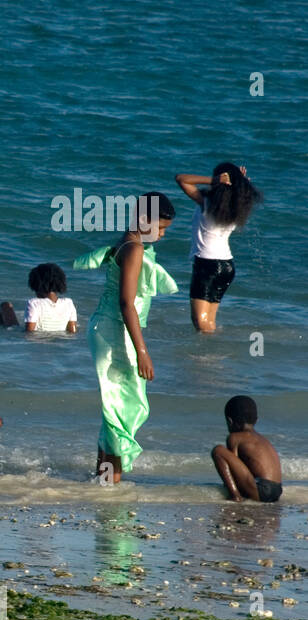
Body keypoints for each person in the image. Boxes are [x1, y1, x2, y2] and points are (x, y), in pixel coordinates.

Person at [74, 192, 178, 483]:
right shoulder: (134, 249)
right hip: (115, 331)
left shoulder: (128, 242)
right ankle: (110, 479)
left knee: (116, 407)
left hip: (109, 328)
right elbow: (126, 303)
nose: (161, 234)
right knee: (124, 407)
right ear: (143, 220)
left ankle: (104, 477)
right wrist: (142, 351)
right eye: (160, 227)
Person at [174, 163, 262, 333]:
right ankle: (212, 355)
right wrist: (240, 181)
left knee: (200, 321)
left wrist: (214, 180)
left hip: (207, 265)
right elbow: (244, 192)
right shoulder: (237, 204)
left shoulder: (206, 202)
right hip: (227, 266)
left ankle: (205, 357)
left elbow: (181, 179)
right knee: (209, 320)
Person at [212, 395, 281, 503]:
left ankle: (235, 496)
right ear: (256, 420)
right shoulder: (262, 439)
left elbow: (233, 471)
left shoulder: (234, 437)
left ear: (230, 421)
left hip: (262, 490)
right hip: (277, 491)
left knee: (218, 450)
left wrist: (229, 487)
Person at [0, 263, 77, 333]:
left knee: (5, 305)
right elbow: (72, 331)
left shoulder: (34, 303)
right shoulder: (68, 303)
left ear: (36, 284)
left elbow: (29, 333)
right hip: (55, 340)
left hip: (34, 339)